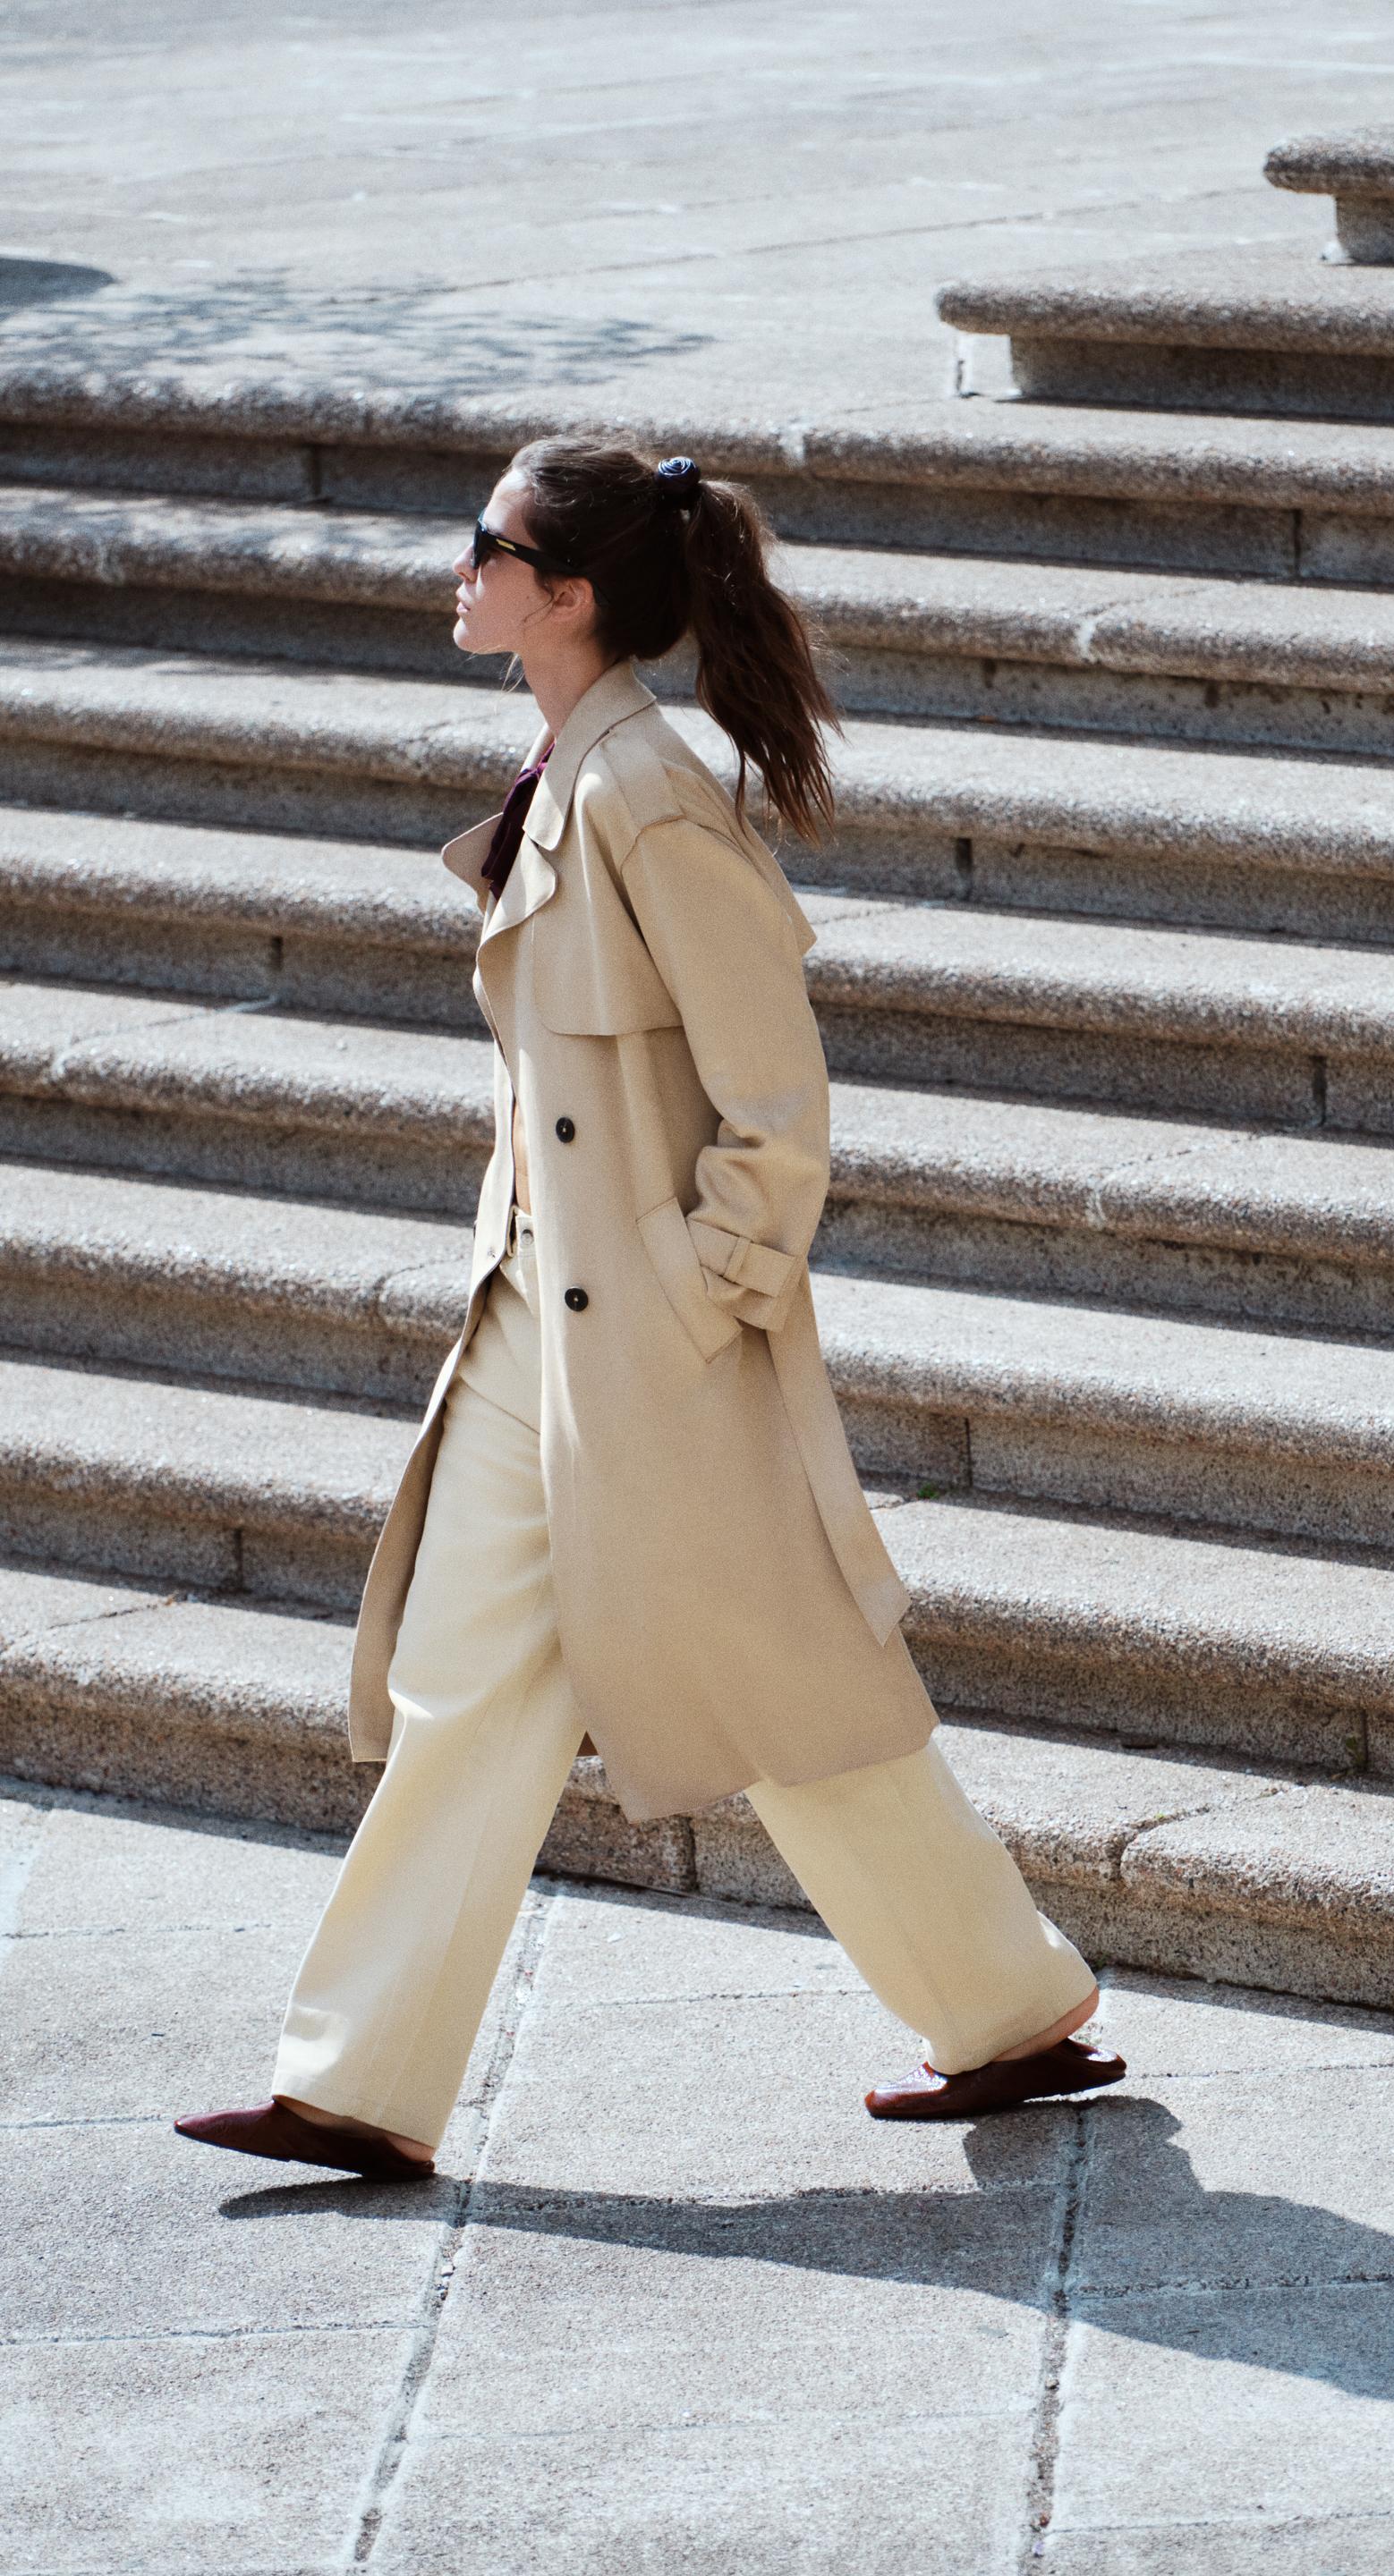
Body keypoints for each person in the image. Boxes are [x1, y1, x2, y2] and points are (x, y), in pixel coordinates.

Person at [174, 441, 1124, 2182]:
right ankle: (360, 2081)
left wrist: (707, 1296)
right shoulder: (569, 775)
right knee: (472, 1680)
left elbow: (779, 1105)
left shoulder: (648, 797)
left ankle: (1003, 2006)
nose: (458, 569)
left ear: (573, 592)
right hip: (542, 1323)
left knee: (789, 1685)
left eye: (491, 545)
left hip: (651, 1345)